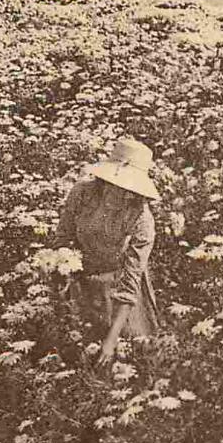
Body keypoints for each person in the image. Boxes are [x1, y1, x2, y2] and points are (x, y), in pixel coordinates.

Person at [52, 137, 161, 366]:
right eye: (117, 185)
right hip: (79, 280)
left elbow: (131, 281)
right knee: (73, 350)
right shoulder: (82, 193)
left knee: (127, 355)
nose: (123, 194)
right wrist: (63, 267)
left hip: (118, 287)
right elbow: (62, 237)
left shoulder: (142, 218)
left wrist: (111, 341)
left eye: (130, 189)